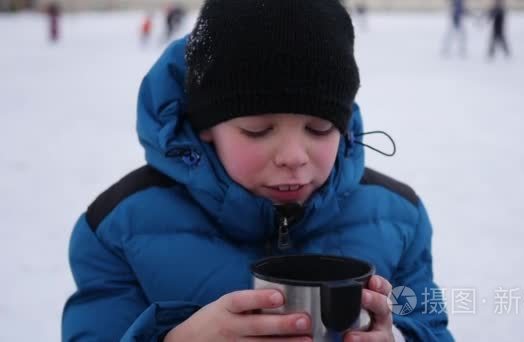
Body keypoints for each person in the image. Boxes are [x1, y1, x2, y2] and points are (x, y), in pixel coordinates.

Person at [61, 0, 454, 341]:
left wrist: (397, 336)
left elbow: (430, 326)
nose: (293, 156)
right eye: (258, 130)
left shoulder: (398, 221)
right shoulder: (117, 230)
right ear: (206, 128)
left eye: (319, 129)